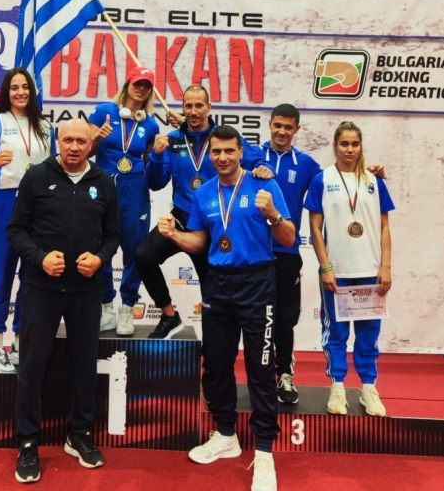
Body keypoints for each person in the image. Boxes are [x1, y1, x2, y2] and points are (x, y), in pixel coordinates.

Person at [158, 125, 294, 491]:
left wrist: (273, 215)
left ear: (240, 152)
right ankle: (226, 434)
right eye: (216, 151)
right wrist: (173, 235)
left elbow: (288, 238)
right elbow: (199, 243)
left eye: (229, 151)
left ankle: (264, 451)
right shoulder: (203, 193)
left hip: (257, 282)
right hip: (217, 282)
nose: (222, 157)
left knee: (260, 369)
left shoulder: (264, 185)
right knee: (216, 363)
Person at [7, 118, 121, 484]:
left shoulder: (104, 182)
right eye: (68, 140)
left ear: (91, 145)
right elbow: (15, 229)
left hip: (86, 291)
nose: (74, 147)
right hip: (40, 288)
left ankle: (79, 434)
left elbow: (113, 235)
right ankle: (28, 442)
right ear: (58, 141)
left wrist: (100, 259)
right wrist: (39, 257)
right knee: (32, 366)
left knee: (85, 364)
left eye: (81, 142)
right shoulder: (37, 176)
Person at [259, 104, 385, 405]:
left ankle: (285, 375)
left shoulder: (308, 166)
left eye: (288, 127)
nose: (282, 131)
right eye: (277, 125)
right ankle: (258, 379)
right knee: (254, 321)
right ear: (270, 124)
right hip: (252, 252)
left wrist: (372, 173)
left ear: (296, 129)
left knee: (284, 320)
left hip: (287, 252)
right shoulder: (250, 155)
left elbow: (340, 179)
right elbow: (221, 152)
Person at [136, 85, 270, 339]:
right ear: (182, 108)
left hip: (214, 224)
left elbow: (257, 159)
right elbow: (156, 183)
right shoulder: (173, 140)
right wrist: (156, 156)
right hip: (182, 218)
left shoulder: (222, 139)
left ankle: (213, 347)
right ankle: (169, 316)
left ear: (209, 107)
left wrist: (263, 167)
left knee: (211, 297)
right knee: (143, 257)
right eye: (188, 106)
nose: (194, 111)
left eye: (199, 105)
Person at [305, 121, 394, 417]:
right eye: (344, 144)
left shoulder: (374, 181)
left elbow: (384, 227)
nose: (350, 149)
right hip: (338, 272)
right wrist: (325, 267)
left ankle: (368, 388)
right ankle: (338, 388)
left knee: (369, 335)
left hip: (370, 271)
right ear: (335, 146)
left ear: (361, 146)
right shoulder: (322, 180)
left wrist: (386, 266)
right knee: (336, 334)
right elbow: (315, 228)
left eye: (355, 144)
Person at [0, 68, 56, 374]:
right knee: (3, 275)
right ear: (6, 93)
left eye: (25, 87)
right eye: (14, 88)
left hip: (40, 205)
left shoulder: (45, 126)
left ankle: (21, 341)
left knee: (32, 277)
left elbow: (55, 168)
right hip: (6, 202)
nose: (21, 92)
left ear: (32, 92)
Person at [87, 66, 160, 336]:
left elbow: (150, 163)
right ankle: (106, 307)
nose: (141, 88)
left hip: (135, 188)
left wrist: (159, 156)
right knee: (100, 246)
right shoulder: (103, 112)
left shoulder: (150, 124)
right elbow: (85, 152)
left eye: (146, 86)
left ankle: (127, 307)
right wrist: (97, 136)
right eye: (137, 83)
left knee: (135, 249)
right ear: (127, 84)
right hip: (104, 184)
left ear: (150, 92)